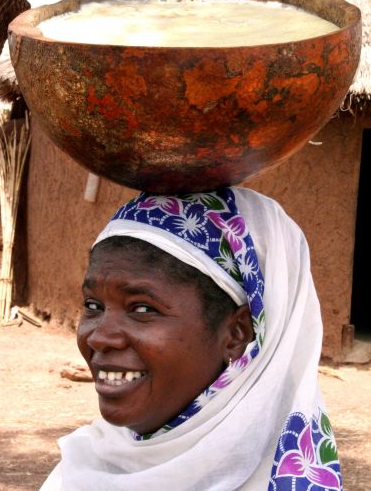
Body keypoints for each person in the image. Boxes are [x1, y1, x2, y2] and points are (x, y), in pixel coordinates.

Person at [40, 186, 342, 491]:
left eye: (142, 308)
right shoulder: (84, 469)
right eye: (93, 306)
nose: (100, 337)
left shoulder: (283, 480)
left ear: (237, 334)